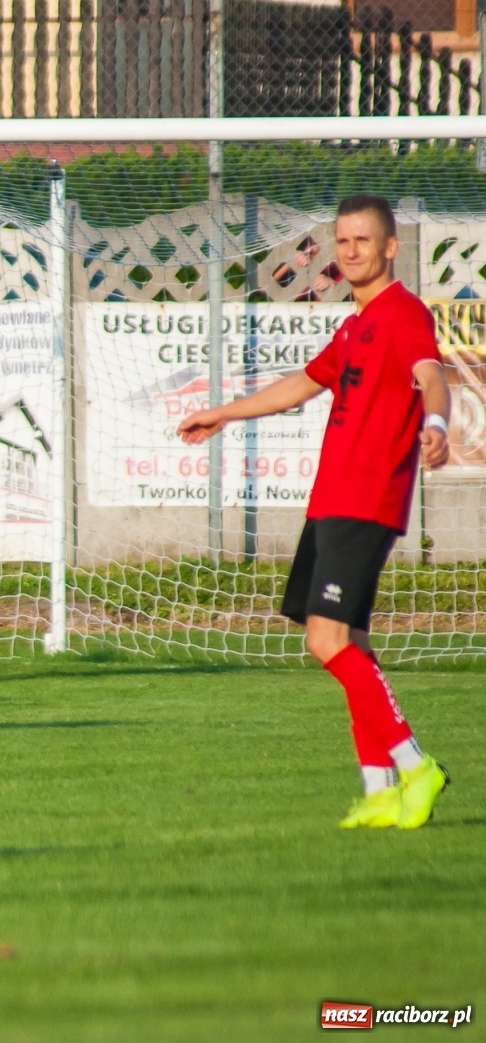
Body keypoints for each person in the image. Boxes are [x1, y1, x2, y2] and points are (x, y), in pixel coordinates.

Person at [178, 194, 452, 830]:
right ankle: (380, 790)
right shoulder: (353, 324)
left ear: (390, 248)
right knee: (349, 642)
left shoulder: (401, 313)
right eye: (343, 241)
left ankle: (416, 765)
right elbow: (302, 384)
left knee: (323, 639)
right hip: (333, 500)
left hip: (366, 498)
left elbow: (430, 372)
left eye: (363, 241)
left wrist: (435, 420)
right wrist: (222, 411)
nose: (351, 251)